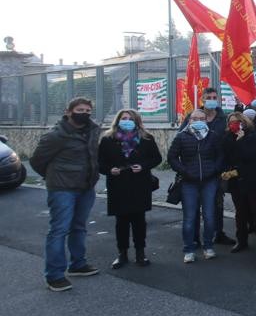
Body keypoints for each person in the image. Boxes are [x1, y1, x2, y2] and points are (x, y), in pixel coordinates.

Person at [30, 97, 102, 291]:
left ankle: (78, 264)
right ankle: (54, 275)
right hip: (62, 189)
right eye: (80, 110)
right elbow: (37, 161)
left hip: (86, 188)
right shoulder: (56, 135)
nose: (85, 113)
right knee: (59, 230)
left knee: (79, 227)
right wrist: (55, 177)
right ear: (68, 111)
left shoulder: (93, 131)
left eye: (88, 110)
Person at [97, 109, 162, 269]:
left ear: (137, 121)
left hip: (139, 184)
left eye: (130, 119)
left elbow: (156, 158)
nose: (127, 121)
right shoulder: (108, 139)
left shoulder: (146, 138)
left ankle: (141, 253)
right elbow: (100, 162)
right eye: (124, 118)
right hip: (118, 185)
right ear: (118, 120)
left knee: (139, 221)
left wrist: (143, 166)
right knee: (122, 222)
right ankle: (122, 254)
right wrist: (109, 170)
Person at [168, 109, 226, 263]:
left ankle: (208, 247)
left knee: (209, 216)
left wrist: (214, 170)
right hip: (189, 182)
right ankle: (188, 249)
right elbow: (172, 157)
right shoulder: (182, 136)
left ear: (206, 120)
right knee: (189, 217)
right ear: (190, 120)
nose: (199, 120)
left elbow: (220, 155)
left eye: (202, 118)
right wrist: (184, 171)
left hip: (209, 181)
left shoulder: (212, 136)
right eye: (195, 118)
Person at [221, 112, 256, 253]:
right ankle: (241, 240)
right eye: (231, 122)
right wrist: (226, 171)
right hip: (236, 181)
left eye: (237, 121)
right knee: (241, 212)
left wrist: (241, 141)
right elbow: (227, 157)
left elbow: (250, 156)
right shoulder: (226, 139)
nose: (234, 124)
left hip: (254, 180)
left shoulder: (253, 137)